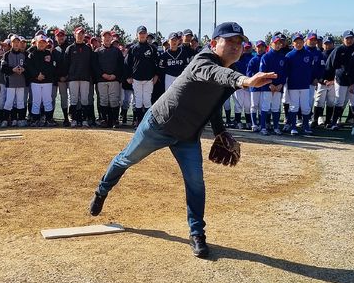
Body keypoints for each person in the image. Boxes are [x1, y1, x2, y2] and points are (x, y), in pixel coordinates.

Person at [89, 22, 276, 258]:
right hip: (158, 125)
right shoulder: (203, 61)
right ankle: (101, 190)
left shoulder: (232, 71)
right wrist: (244, 81)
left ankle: (197, 233)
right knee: (126, 159)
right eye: (229, 41)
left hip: (188, 135)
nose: (235, 47)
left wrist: (219, 131)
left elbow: (215, 106)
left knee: (196, 183)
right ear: (213, 43)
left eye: (239, 43)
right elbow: (216, 74)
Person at [125, 26, 159, 127]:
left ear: (146, 34)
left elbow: (157, 63)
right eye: (140, 33)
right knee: (138, 101)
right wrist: (128, 76)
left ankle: (148, 123)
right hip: (136, 79)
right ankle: (139, 122)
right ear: (137, 35)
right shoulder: (133, 48)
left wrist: (156, 75)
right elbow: (127, 63)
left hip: (149, 79)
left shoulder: (152, 48)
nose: (142, 35)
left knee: (147, 100)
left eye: (144, 33)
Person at [326, 30, 354, 130]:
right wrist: (328, 78)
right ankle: (334, 122)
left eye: (351, 38)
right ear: (343, 39)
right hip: (341, 79)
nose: (349, 40)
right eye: (347, 38)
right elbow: (330, 65)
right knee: (339, 101)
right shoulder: (339, 49)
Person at [92, 30, 125, 128]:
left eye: (108, 36)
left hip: (114, 80)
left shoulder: (117, 51)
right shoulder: (97, 51)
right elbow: (95, 66)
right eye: (104, 37)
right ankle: (104, 120)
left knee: (114, 100)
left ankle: (114, 120)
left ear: (111, 38)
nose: (107, 38)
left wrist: (115, 75)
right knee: (103, 100)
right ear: (101, 39)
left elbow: (121, 65)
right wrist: (103, 74)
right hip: (102, 80)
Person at [284, 33, 314, 135]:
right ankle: (293, 127)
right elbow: (286, 71)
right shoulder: (289, 55)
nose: (298, 44)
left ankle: (306, 126)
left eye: (300, 41)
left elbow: (311, 69)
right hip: (293, 85)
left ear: (303, 42)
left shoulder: (308, 54)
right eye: (296, 42)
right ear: (293, 43)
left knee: (306, 107)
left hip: (305, 85)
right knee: (294, 107)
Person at [259, 35, 287, 135]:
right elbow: (262, 72)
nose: (278, 45)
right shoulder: (266, 56)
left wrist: (280, 84)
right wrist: (270, 84)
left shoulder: (283, 57)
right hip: (267, 87)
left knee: (276, 107)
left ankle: (276, 127)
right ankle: (263, 127)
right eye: (276, 43)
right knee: (265, 106)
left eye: (280, 43)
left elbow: (284, 73)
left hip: (278, 87)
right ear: (271, 44)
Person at [64, 27, 93, 127]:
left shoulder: (88, 48)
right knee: (74, 99)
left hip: (85, 78)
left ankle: (84, 120)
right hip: (73, 78)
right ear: (75, 35)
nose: (80, 36)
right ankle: (74, 119)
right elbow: (66, 63)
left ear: (84, 35)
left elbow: (91, 64)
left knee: (85, 99)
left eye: (82, 34)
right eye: (78, 34)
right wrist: (66, 75)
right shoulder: (70, 48)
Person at [26, 34, 57, 126]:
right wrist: (37, 75)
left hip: (47, 81)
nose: (42, 44)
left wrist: (43, 75)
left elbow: (51, 67)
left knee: (47, 100)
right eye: (40, 42)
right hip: (35, 81)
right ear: (36, 43)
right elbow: (30, 67)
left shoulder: (48, 54)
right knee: (36, 101)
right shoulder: (32, 54)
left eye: (43, 42)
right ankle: (35, 120)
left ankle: (48, 119)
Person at [1, 36, 28, 127]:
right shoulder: (7, 55)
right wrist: (12, 69)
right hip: (11, 82)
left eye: (18, 42)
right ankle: (5, 120)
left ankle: (20, 120)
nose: (16, 44)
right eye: (14, 42)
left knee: (20, 101)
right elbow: (3, 68)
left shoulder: (24, 54)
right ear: (11, 44)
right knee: (9, 101)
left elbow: (28, 67)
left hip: (21, 81)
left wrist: (24, 69)